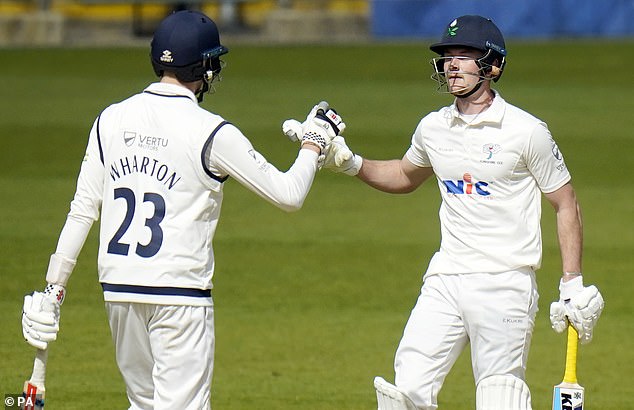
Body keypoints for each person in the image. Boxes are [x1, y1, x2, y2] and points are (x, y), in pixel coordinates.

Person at [20, 10, 344, 410]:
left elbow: (82, 211)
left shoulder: (110, 118)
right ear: (204, 68)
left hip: (119, 290)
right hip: (180, 295)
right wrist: (313, 144)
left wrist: (53, 289)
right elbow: (288, 194)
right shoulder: (211, 130)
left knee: (142, 404)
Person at [321, 15, 604, 410]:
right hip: (446, 277)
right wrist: (350, 162)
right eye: (447, 56)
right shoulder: (433, 128)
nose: (452, 64)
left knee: (499, 396)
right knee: (405, 390)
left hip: (505, 283)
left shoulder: (525, 131)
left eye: (465, 55)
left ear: (492, 65)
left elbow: (565, 202)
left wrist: (572, 282)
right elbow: (405, 174)